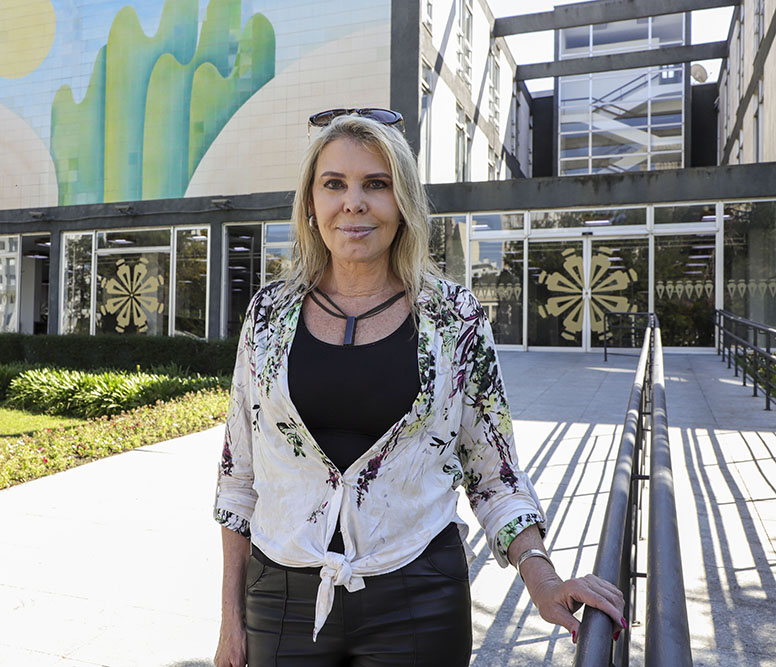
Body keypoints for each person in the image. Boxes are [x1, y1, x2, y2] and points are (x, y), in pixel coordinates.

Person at [213, 109, 625, 667]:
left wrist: (542, 577)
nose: (353, 203)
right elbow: (238, 479)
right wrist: (229, 623)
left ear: (402, 201)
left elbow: (492, 471)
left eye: (375, 184)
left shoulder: (453, 318)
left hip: (419, 597)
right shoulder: (268, 314)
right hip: (280, 599)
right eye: (334, 184)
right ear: (311, 204)